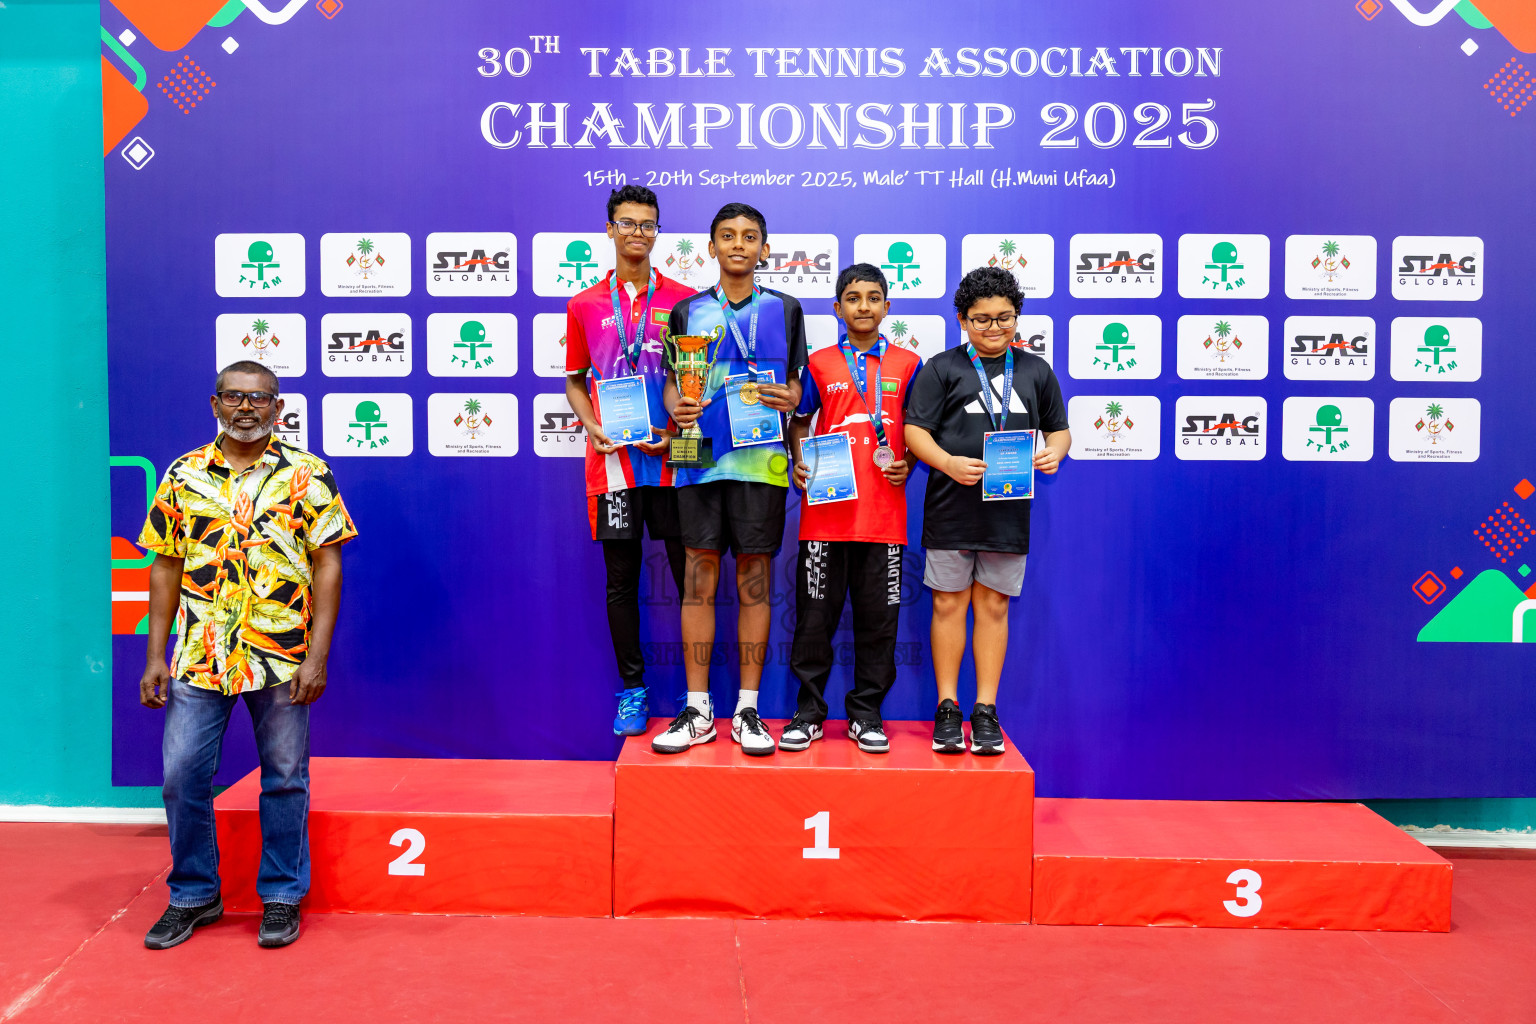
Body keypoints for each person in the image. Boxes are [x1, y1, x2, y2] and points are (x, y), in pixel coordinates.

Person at [138, 361, 356, 949]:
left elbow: (328, 565)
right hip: (199, 655)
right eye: (234, 397)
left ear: (277, 409)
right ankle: (193, 895)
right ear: (215, 405)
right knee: (182, 776)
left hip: (281, 656)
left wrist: (316, 656)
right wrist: (155, 655)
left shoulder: (308, 475)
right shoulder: (184, 474)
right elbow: (165, 566)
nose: (246, 408)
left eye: (259, 399)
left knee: (285, 779)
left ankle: (282, 894)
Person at [655, 202, 807, 756]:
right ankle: (698, 710)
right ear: (711, 247)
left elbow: (799, 386)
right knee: (697, 579)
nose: (738, 244)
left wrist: (791, 397)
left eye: (749, 236)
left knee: (754, 580)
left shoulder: (785, 309)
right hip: (698, 458)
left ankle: (747, 709)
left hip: (762, 463)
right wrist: (676, 407)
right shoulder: (686, 311)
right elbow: (671, 383)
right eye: (727, 235)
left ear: (764, 248)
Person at [903, 267, 1071, 754]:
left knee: (994, 606)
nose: (994, 328)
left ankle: (986, 710)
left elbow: (1059, 430)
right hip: (950, 506)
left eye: (1005, 318)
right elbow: (915, 431)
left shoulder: (1036, 370)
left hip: (1007, 511)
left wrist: (1055, 453)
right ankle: (948, 707)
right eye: (982, 319)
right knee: (947, 604)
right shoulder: (941, 368)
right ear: (963, 319)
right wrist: (947, 463)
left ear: (1017, 317)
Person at [566, 184, 693, 735]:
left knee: (693, 578)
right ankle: (634, 690)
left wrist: (677, 430)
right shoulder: (584, 304)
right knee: (622, 581)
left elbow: (695, 380)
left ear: (657, 231)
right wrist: (591, 425)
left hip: (677, 457)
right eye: (627, 223)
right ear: (610, 229)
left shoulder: (685, 302)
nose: (637, 232)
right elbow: (574, 380)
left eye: (647, 224)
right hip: (613, 462)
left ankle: (697, 697)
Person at [781, 264, 922, 753]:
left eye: (874, 297)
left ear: (887, 306)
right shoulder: (819, 363)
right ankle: (809, 713)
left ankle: (866, 714)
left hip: (884, 519)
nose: (864, 306)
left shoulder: (909, 363)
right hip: (826, 514)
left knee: (879, 623)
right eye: (854, 297)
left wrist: (909, 462)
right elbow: (800, 421)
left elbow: (919, 429)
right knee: (814, 619)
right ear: (837, 308)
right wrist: (798, 461)